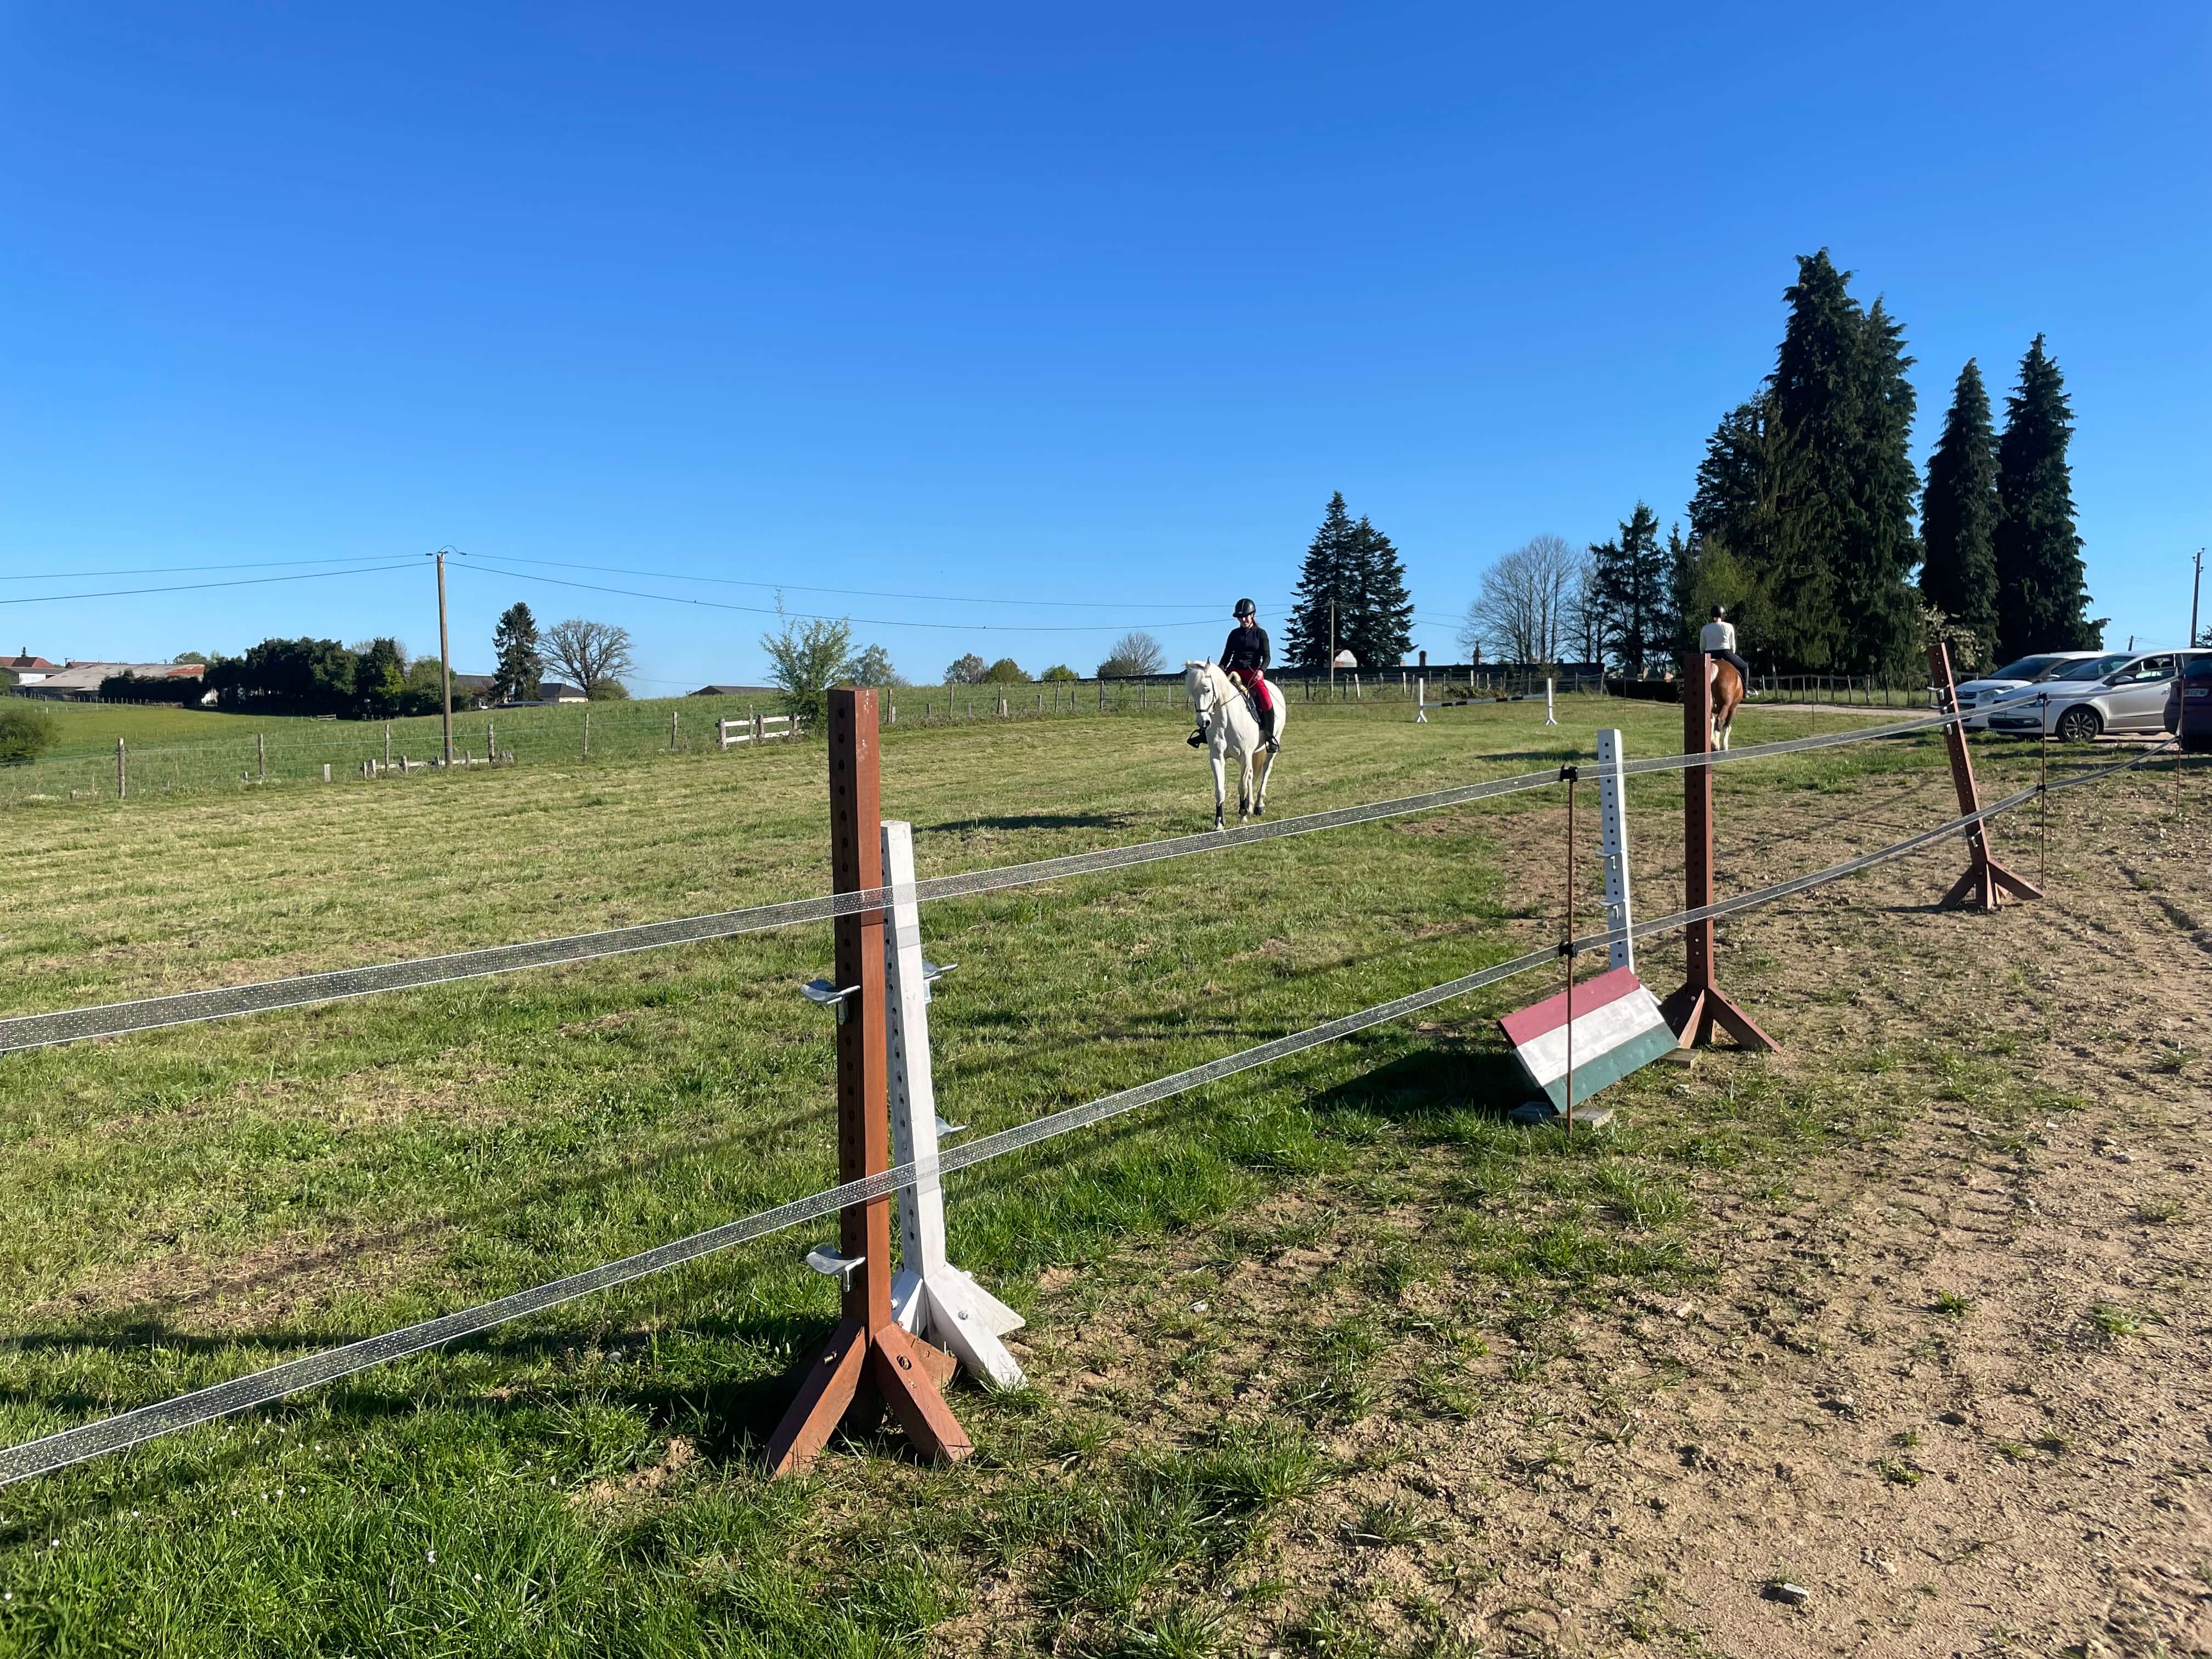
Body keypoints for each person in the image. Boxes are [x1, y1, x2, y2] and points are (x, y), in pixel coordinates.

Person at [1189, 598, 1279, 752]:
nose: (1243, 619)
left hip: (1253, 673)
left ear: (1253, 615)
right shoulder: (1234, 634)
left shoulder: (1261, 634)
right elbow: (1226, 656)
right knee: (1214, 695)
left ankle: (1270, 737)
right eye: (1240, 617)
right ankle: (1205, 732)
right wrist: (1221, 671)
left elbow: (1267, 657)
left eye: (1246, 616)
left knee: (1265, 699)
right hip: (1234, 670)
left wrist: (1261, 670)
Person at [1700, 605, 1750, 683]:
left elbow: (1702, 647)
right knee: (1745, 667)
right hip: (1725, 653)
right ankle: (1746, 690)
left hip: (1709, 655)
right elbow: (1733, 646)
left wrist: (1704, 655)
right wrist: (1732, 655)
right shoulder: (1729, 626)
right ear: (1722, 615)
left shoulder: (1705, 628)